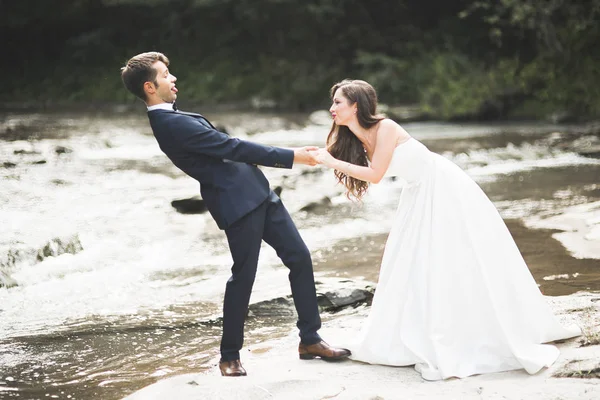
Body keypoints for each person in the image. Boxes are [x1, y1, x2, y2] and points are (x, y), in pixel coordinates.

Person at [311, 79, 581, 381]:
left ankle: (464, 330)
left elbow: (375, 175)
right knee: (408, 262)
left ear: (355, 106)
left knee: (451, 258)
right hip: (417, 194)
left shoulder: (385, 128)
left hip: (443, 188)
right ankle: (413, 331)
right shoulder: (352, 135)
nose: (332, 107)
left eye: (337, 102)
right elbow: (320, 156)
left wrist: (331, 161)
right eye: (333, 102)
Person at [120, 52, 350, 377]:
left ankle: (310, 339)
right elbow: (233, 148)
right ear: (149, 87)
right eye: (165, 75)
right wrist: (294, 156)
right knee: (244, 276)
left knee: (299, 257)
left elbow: (230, 149)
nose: (173, 79)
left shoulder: (176, 116)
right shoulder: (170, 124)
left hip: (259, 192)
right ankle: (229, 356)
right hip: (237, 205)